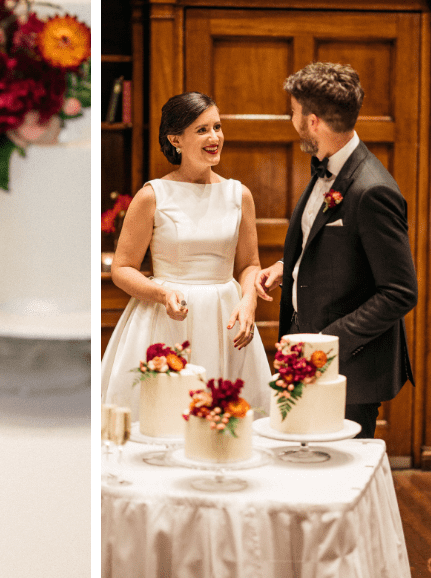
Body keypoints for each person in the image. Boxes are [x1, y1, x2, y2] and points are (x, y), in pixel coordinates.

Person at [255, 62, 417, 439]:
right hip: (305, 355)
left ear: (312, 121)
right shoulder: (328, 169)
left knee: (338, 484)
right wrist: (288, 267)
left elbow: (399, 292)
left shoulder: (373, 189)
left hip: (348, 370)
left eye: (294, 112)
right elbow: (330, 248)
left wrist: (325, 346)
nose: (291, 120)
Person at [100, 92, 272, 417]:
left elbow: (249, 264)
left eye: (217, 127)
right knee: (164, 420)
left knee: (226, 423)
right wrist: (161, 292)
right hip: (166, 319)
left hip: (225, 319)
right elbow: (122, 268)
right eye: (202, 129)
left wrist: (248, 299)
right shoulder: (152, 196)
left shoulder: (239, 195)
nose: (215, 137)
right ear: (175, 138)